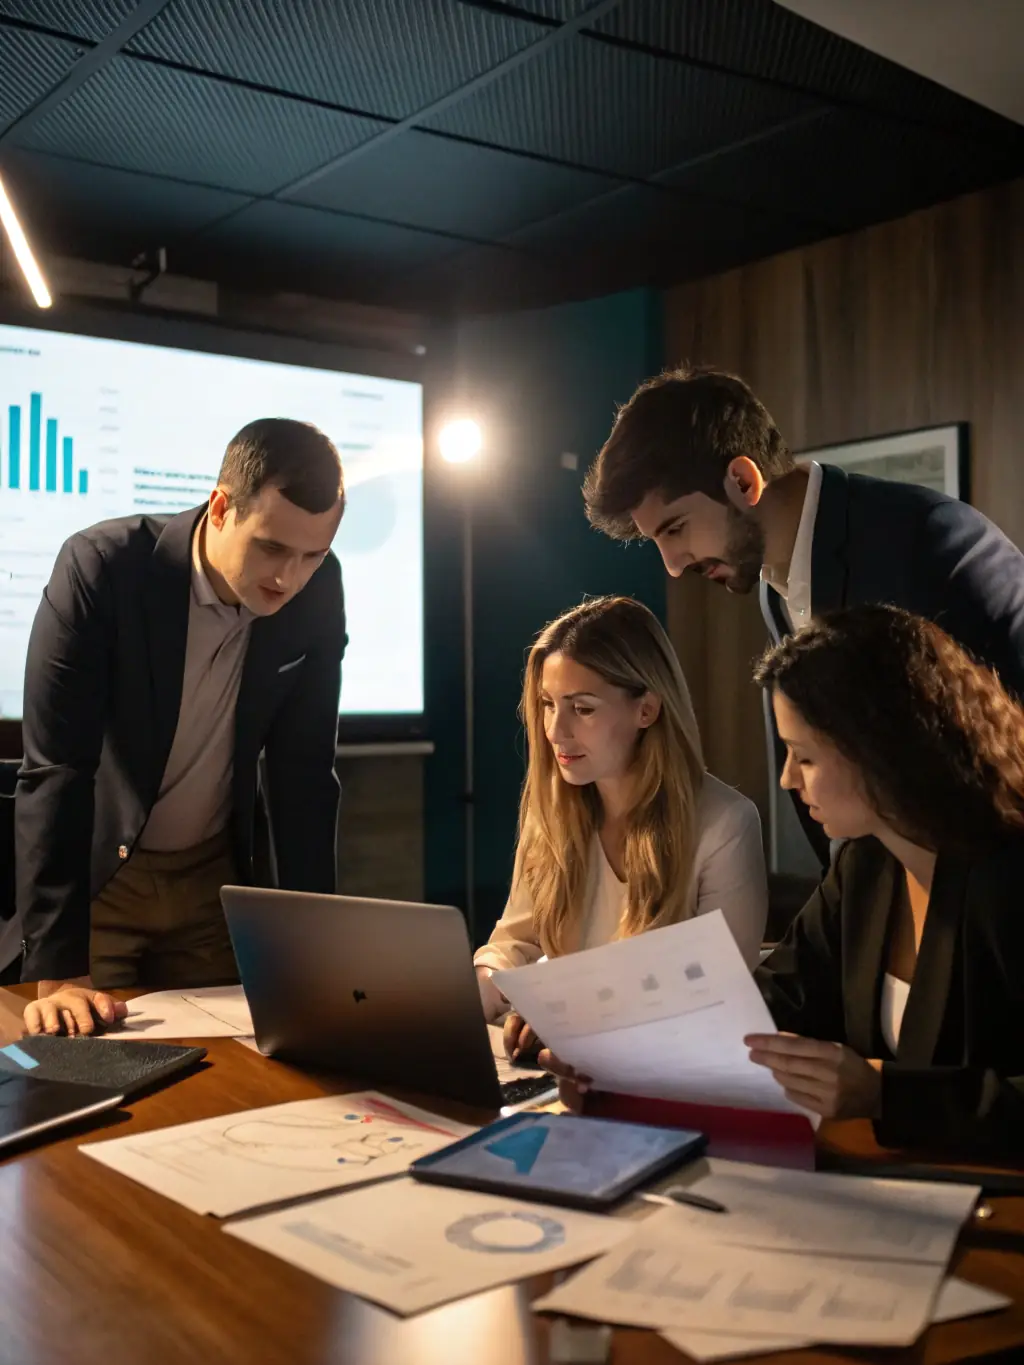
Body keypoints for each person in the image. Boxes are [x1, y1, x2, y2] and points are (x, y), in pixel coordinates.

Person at [553, 607, 1024, 1152]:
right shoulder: (866, 868)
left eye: (804, 757)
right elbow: (771, 1000)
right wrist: (616, 1055)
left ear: (883, 749)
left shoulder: (1006, 877)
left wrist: (884, 1094)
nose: (785, 779)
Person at [583, 365, 1024, 862]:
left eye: (676, 529)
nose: (674, 565)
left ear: (743, 481)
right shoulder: (773, 588)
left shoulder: (928, 540)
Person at [20, 418, 347, 1037]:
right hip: (104, 886)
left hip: (212, 886)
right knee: (86, 1062)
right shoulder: (103, 568)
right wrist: (59, 970)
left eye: (314, 554)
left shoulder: (317, 590)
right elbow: (56, 769)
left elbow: (304, 777)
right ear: (221, 508)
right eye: (272, 547)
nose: (290, 578)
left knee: (248, 1075)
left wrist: (316, 951)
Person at [474, 596, 768, 1054]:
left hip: (671, 1079)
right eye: (548, 704)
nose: (555, 730)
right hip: (567, 1067)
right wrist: (480, 991)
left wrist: (571, 1017)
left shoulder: (725, 825)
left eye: (583, 709)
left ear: (646, 710)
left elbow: (713, 998)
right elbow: (516, 942)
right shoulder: (552, 812)